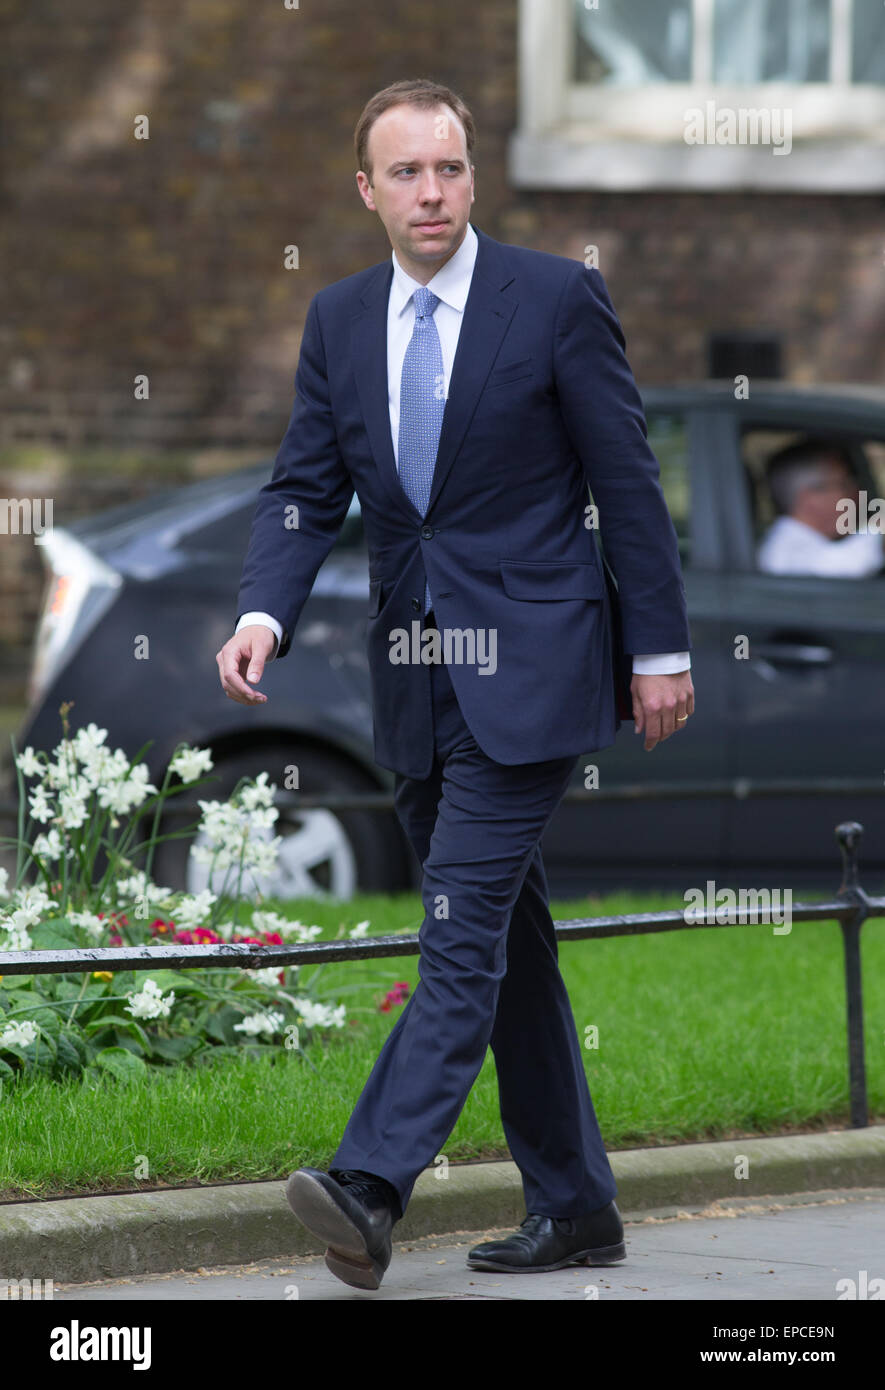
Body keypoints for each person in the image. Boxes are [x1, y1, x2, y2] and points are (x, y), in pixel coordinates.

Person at [216, 78, 694, 1291]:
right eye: (408, 174)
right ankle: (576, 1204)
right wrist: (264, 606)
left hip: (532, 670)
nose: (434, 193)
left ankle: (372, 1182)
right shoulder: (337, 320)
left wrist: (661, 649)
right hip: (416, 681)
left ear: (473, 176)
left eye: (452, 169)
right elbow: (303, 487)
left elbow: (627, 482)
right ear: (365, 189)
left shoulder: (554, 297)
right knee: (511, 948)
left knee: (458, 932)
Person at [756, 437, 884, 577]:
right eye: (843, 485)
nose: (855, 492)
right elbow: (846, 566)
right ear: (810, 498)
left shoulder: (798, 541)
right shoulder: (786, 552)